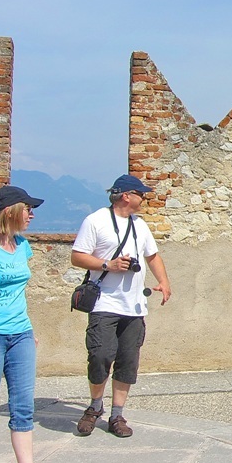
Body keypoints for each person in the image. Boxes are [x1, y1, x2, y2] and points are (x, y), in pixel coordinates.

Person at [71, 174, 171, 438]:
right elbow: (77, 256)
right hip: (104, 303)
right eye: (141, 194)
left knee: (128, 361)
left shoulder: (140, 225)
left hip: (134, 307)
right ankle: (94, 407)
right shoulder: (95, 221)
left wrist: (164, 282)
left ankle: (117, 414)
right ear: (126, 195)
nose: (144, 198)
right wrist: (108, 265)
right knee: (100, 356)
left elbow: (152, 255)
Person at [0, 186, 50, 463]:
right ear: (11, 211)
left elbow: (19, 294)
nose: (31, 214)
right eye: (28, 208)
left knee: (23, 409)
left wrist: (28, 331)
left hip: (20, 336)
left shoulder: (23, 245)